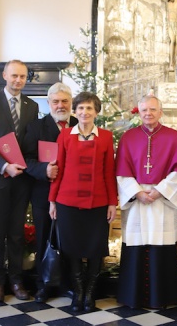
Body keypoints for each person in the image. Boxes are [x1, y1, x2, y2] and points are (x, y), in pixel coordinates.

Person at [116, 95, 177, 309]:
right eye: (144, 110)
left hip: (161, 202)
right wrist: (138, 192)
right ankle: (133, 297)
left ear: (160, 112)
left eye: (152, 109)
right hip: (137, 202)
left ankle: (163, 297)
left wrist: (159, 192)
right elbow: (121, 174)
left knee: (162, 245)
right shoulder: (128, 138)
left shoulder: (173, 137)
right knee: (136, 243)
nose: (148, 113)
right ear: (138, 112)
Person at [48, 92, 117, 313]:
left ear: (96, 112)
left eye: (89, 108)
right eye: (80, 108)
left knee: (96, 249)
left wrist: (112, 202)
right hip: (67, 201)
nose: (84, 112)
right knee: (73, 248)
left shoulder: (106, 136)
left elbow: (109, 172)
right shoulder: (66, 135)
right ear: (74, 112)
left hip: (97, 203)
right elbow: (58, 170)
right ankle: (78, 292)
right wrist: (52, 200)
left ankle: (90, 293)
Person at [0, 59, 39, 302]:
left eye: (22, 76)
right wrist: (4, 165)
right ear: (4, 75)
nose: (18, 80)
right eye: (14, 75)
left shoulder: (31, 106)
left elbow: (30, 142)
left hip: (22, 180)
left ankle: (16, 280)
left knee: (16, 233)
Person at [22, 82, 78, 303]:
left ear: (71, 103)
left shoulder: (78, 124)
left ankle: (68, 284)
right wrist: (43, 170)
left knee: (70, 239)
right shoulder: (36, 127)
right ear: (49, 103)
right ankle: (43, 284)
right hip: (43, 193)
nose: (60, 105)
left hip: (73, 194)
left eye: (65, 101)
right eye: (56, 101)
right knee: (44, 238)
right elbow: (25, 159)